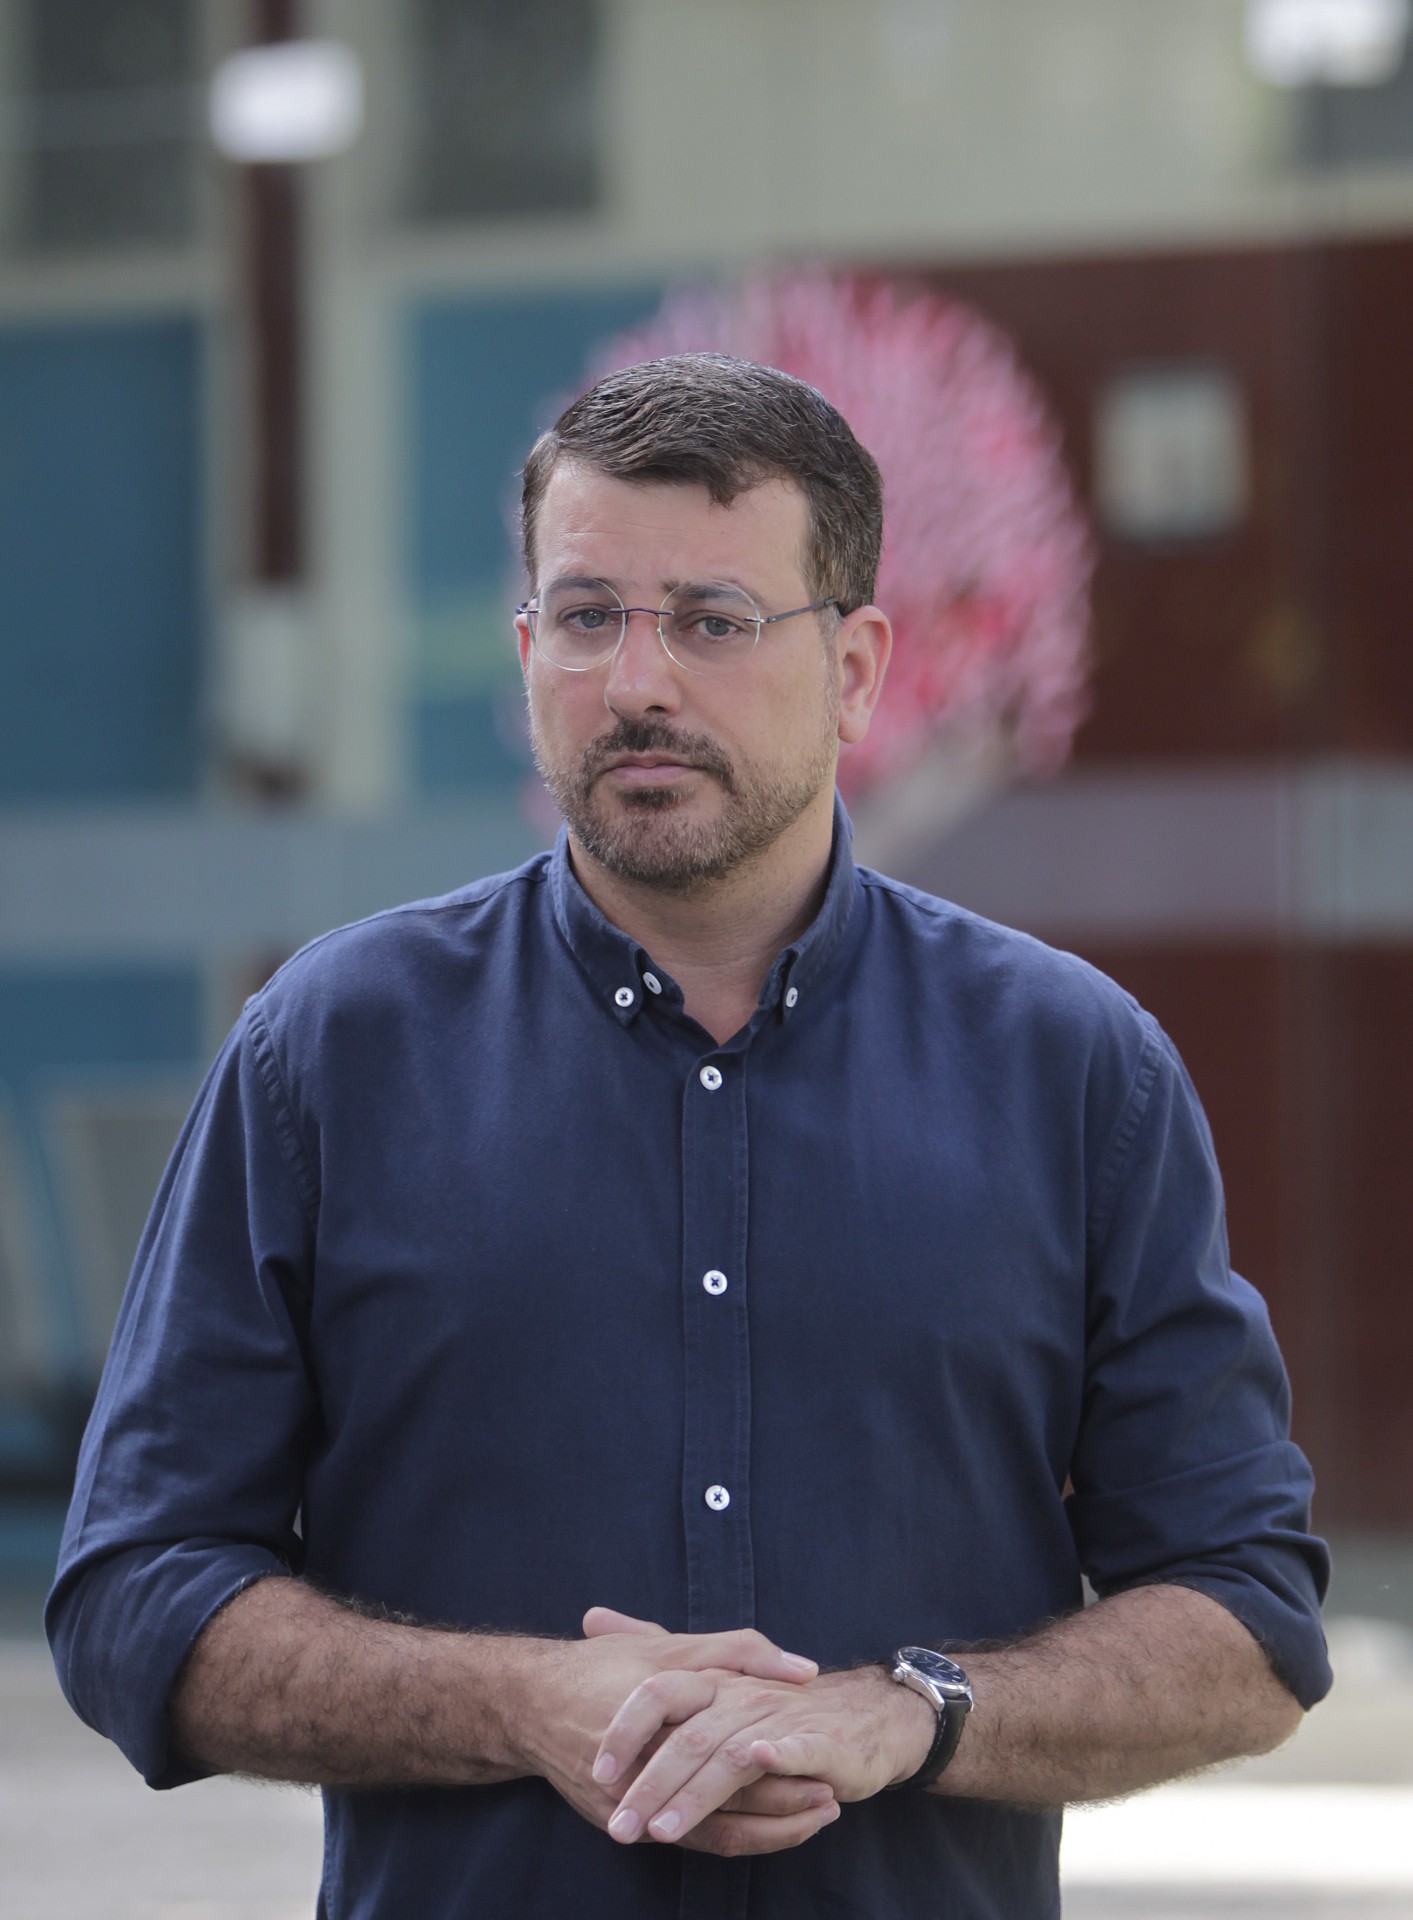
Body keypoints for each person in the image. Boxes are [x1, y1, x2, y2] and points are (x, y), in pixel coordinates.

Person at [48, 353, 1331, 1920]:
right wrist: (518, 1704)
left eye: (714, 622)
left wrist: (902, 1715)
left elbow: (1244, 1615)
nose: (638, 682)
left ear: (859, 669)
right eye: (587, 618)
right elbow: (134, 1596)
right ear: (526, 656)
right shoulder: (330, 1052)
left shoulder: (1073, 1070)